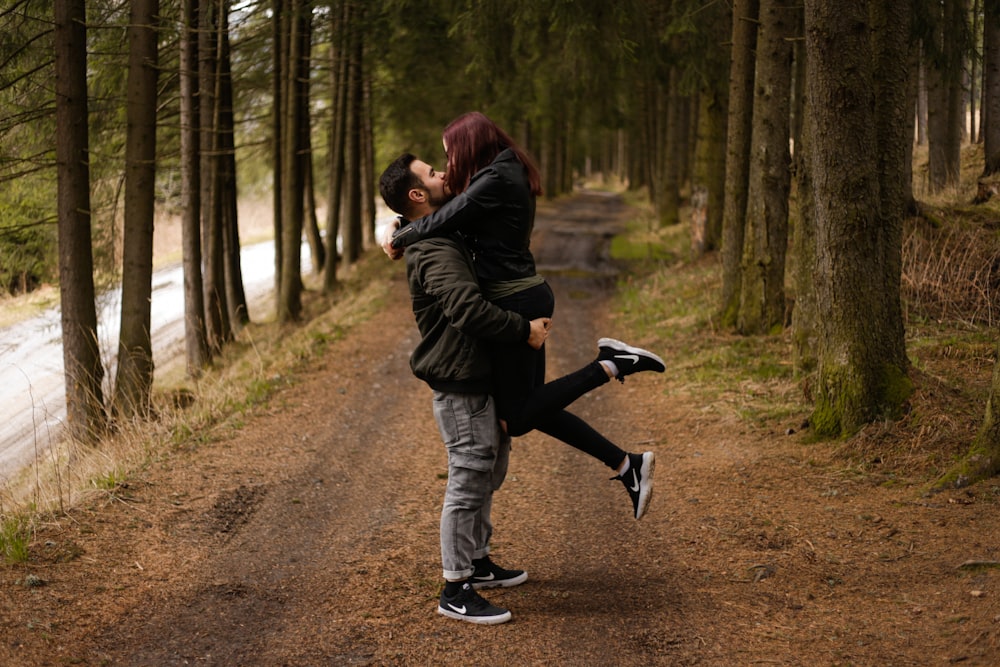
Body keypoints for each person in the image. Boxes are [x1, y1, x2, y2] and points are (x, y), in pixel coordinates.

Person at [385, 113, 664, 519]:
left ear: (468, 146)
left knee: (517, 415)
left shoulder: (497, 177)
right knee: (527, 407)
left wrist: (401, 235)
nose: (448, 166)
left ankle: (611, 366)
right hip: (521, 295)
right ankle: (626, 464)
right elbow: (447, 215)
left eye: (448, 155)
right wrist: (398, 222)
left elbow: (446, 216)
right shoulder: (498, 170)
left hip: (518, 301)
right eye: (437, 166)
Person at [378, 154, 550, 625]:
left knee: (487, 469)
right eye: (432, 174)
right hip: (459, 381)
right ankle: (455, 586)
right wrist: (523, 330)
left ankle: (477, 561)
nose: (443, 176)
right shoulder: (433, 249)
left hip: (477, 375)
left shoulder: (436, 230)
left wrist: (393, 225)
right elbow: (467, 311)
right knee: (469, 475)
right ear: (418, 194)